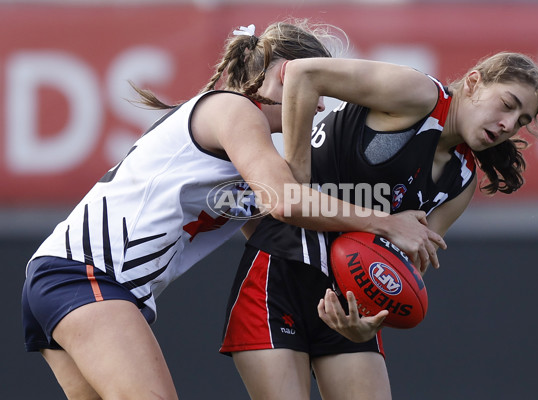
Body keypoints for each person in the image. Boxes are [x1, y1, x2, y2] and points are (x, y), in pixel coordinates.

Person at [21, 20, 446, 400]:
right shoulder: (234, 109)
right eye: (319, 93)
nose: (318, 107)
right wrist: (387, 223)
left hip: (67, 279)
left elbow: (281, 235)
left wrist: (348, 308)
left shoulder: (244, 144)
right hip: (89, 276)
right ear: (286, 76)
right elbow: (288, 202)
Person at [220, 52, 538, 400]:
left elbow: (401, 269)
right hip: (279, 274)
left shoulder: (463, 180)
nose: (508, 124)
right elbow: (300, 73)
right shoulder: (419, 93)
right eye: (507, 104)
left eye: (521, 121)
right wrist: (296, 174)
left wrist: (370, 319)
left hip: (345, 300)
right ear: (473, 83)